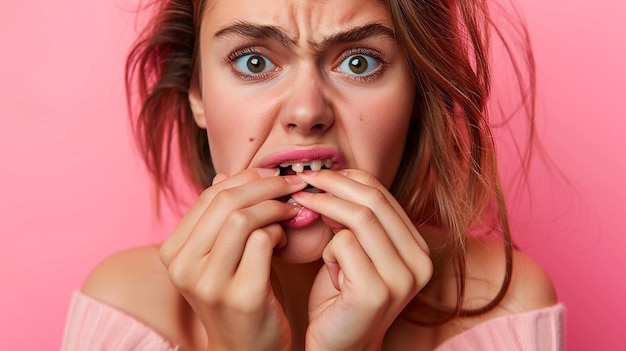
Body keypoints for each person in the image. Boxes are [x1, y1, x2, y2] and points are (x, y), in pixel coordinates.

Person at [62, 0, 564, 350]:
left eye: (359, 61)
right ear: (196, 93)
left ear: (417, 95)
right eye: (254, 61)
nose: (306, 110)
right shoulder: (125, 311)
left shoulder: (506, 307)